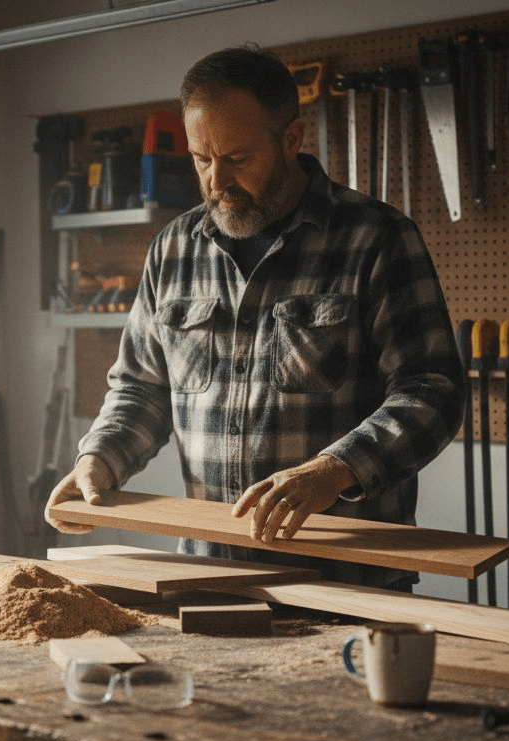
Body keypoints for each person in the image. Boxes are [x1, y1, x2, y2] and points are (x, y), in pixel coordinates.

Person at [44, 45, 465, 590]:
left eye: (237, 159)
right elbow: (141, 389)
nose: (216, 181)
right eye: (201, 159)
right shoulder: (173, 251)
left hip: (348, 581)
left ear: (290, 140)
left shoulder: (375, 238)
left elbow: (432, 390)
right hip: (209, 574)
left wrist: (335, 471)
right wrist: (100, 460)